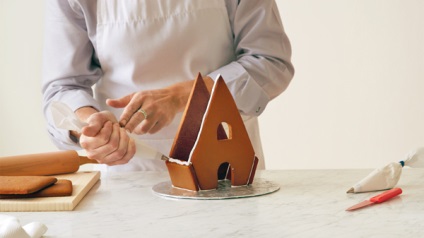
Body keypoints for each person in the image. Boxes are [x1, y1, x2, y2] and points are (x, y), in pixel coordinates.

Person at [42, 0, 294, 172]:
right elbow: (62, 88)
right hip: (128, 173)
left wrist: (180, 96)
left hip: (226, 170)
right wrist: (91, 129)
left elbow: (270, 62)